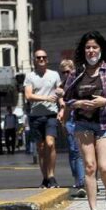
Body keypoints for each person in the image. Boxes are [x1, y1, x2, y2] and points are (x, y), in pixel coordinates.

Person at [62, 30, 106, 210]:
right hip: (83, 124)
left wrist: (104, 101)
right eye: (87, 47)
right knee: (90, 167)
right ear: (83, 50)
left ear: (101, 50)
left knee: (104, 167)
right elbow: (67, 98)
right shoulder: (75, 73)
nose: (91, 51)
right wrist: (78, 104)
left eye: (94, 47)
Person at [25, 49, 63, 188]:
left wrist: (62, 105)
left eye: (44, 57)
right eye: (38, 57)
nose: (41, 59)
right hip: (35, 116)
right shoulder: (29, 77)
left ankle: (52, 175)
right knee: (41, 148)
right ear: (34, 60)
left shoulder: (54, 75)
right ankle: (45, 178)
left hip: (51, 114)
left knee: (50, 143)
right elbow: (28, 96)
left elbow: (60, 92)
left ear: (47, 60)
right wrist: (46, 97)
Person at [58, 59, 86, 197]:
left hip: (81, 119)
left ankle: (83, 182)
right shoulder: (61, 86)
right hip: (69, 120)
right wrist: (62, 112)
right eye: (63, 72)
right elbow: (62, 104)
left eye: (68, 71)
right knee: (73, 151)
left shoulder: (79, 82)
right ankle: (78, 178)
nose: (66, 74)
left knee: (81, 152)